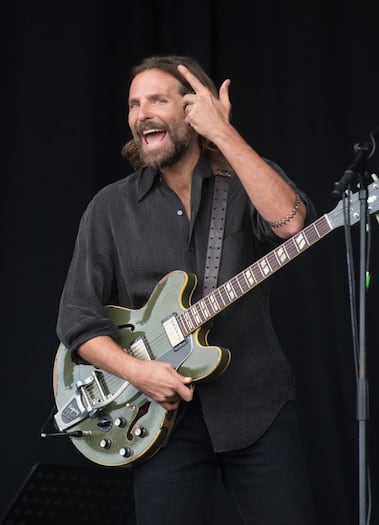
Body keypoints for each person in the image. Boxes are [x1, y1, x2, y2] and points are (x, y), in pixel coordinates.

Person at [56, 54, 317, 524]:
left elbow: (292, 222)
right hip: (158, 422)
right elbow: (78, 320)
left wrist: (222, 133)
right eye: (135, 104)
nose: (142, 114)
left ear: (193, 109)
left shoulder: (244, 181)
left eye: (158, 99)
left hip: (257, 407)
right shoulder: (111, 208)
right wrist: (138, 372)